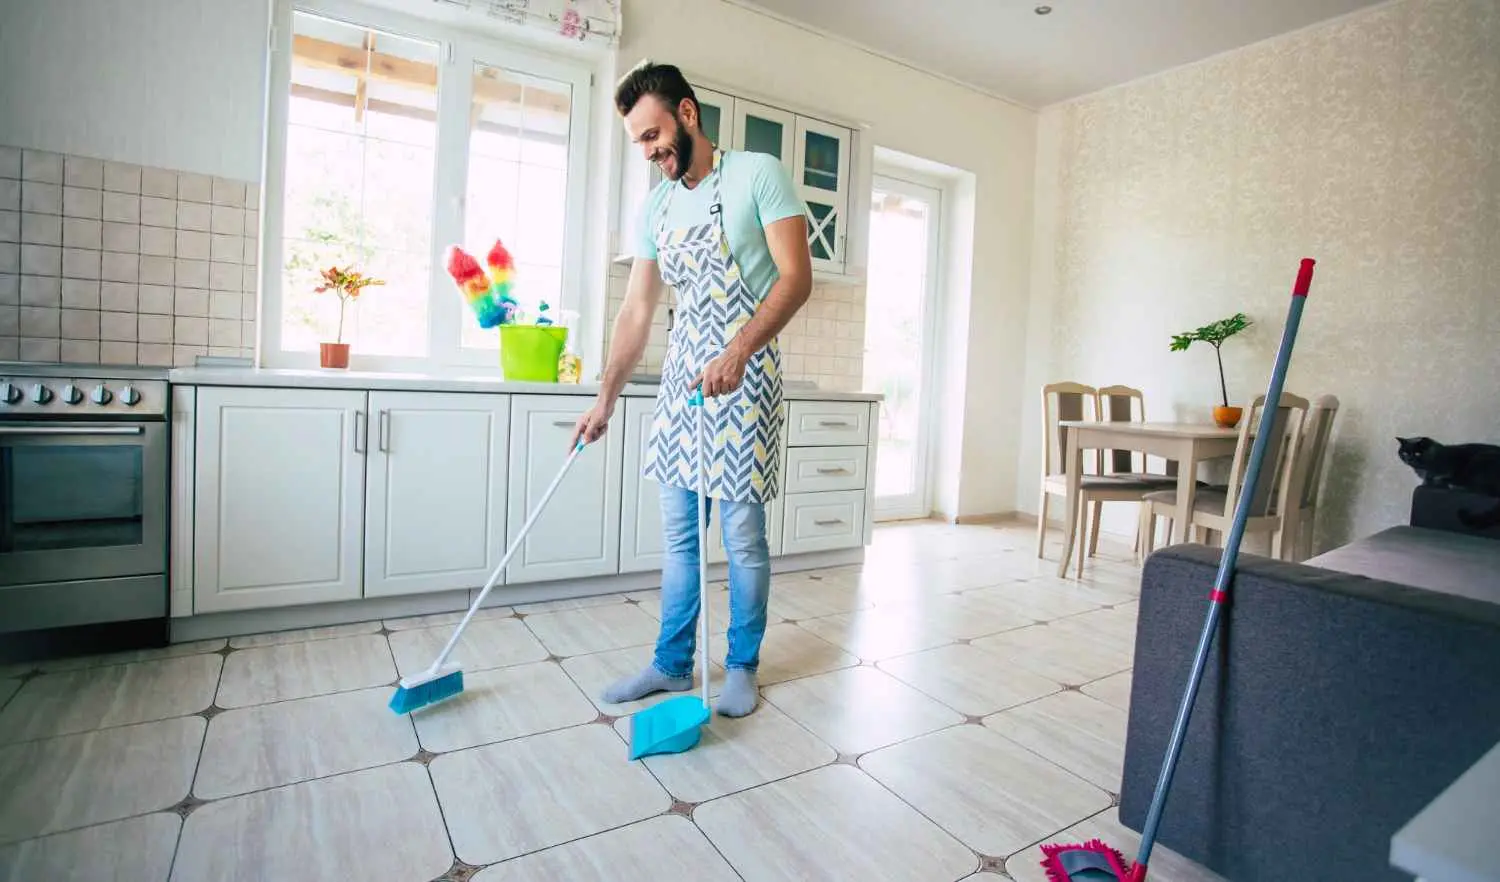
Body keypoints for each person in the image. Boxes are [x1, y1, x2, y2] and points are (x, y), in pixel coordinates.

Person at [570, 60, 812, 717]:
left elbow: (795, 279)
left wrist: (738, 350)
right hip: (682, 384)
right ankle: (672, 664)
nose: (650, 153)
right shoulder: (656, 206)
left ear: (687, 113)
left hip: (746, 377)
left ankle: (742, 666)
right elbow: (636, 311)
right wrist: (605, 399)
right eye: (639, 144)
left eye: (653, 136)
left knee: (741, 538)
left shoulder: (758, 174)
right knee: (680, 538)